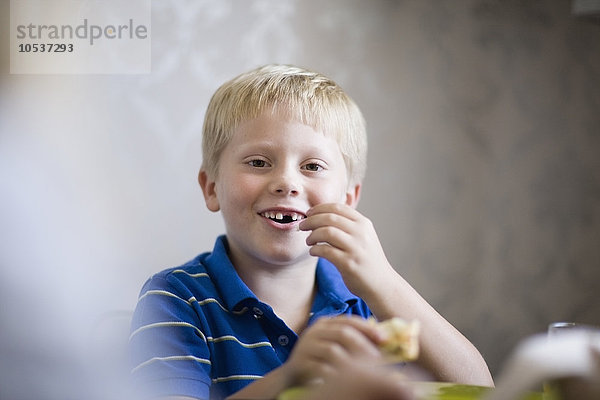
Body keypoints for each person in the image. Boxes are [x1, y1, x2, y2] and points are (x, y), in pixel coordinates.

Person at [129, 64, 494, 400]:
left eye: (313, 166)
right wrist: (290, 379)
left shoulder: (368, 306)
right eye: (258, 162)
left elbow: (479, 390)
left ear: (348, 198)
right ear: (212, 188)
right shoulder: (176, 300)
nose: (287, 182)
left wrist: (384, 281)